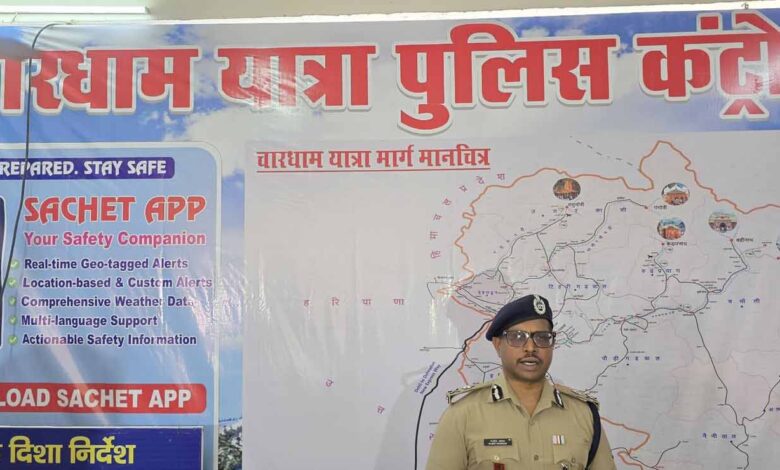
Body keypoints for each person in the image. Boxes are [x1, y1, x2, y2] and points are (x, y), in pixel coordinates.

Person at [426, 294, 616, 470]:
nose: (531, 348)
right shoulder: (462, 415)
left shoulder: (583, 415)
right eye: (517, 337)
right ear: (498, 345)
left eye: (542, 337)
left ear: (552, 344)